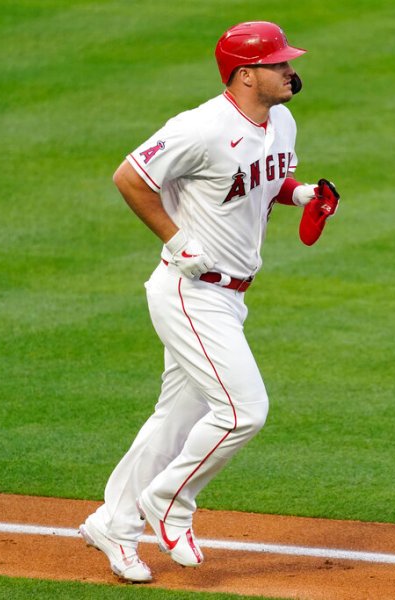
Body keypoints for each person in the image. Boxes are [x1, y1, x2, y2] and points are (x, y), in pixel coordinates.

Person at [78, 21, 339, 583]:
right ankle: (171, 500)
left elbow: (266, 182)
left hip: (231, 297)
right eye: (279, 64)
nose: (291, 70)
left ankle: (114, 524)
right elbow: (129, 177)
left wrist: (304, 195)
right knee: (243, 411)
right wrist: (176, 238)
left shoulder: (282, 121)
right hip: (188, 291)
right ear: (247, 75)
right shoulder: (199, 128)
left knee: (174, 422)